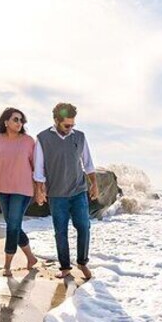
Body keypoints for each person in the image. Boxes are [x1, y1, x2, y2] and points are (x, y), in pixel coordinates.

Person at [33, 102, 99, 280]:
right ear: (56, 120)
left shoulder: (80, 137)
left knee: (84, 227)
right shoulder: (42, 138)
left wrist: (94, 184)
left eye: (73, 125)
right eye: (66, 125)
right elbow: (39, 169)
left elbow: (88, 163)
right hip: (56, 194)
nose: (70, 128)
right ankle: (64, 266)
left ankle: (82, 262)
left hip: (78, 191)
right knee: (60, 231)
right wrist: (39, 190)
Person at [0, 107, 39, 276]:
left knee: (12, 226)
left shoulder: (28, 141)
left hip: (22, 189)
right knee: (13, 225)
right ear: (6, 122)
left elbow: (36, 168)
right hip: (2, 189)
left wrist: (40, 190)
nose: (19, 123)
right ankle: (31, 258)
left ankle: (7, 265)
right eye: (16, 119)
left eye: (21, 120)